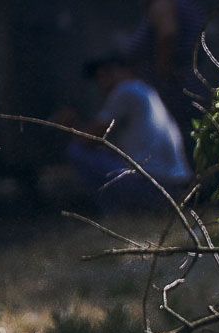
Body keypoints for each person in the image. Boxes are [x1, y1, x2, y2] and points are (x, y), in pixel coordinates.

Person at [60, 55, 192, 216]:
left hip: (155, 184)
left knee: (76, 151)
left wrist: (70, 124)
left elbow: (90, 139)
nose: (102, 82)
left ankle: (114, 212)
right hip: (173, 184)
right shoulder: (143, 90)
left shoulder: (125, 91)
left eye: (105, 74)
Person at [123, 0, 209, 143]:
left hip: (174, 89)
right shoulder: (185, 2)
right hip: (190, 84)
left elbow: (168, 34)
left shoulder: (164, 4)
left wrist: (163, 76)